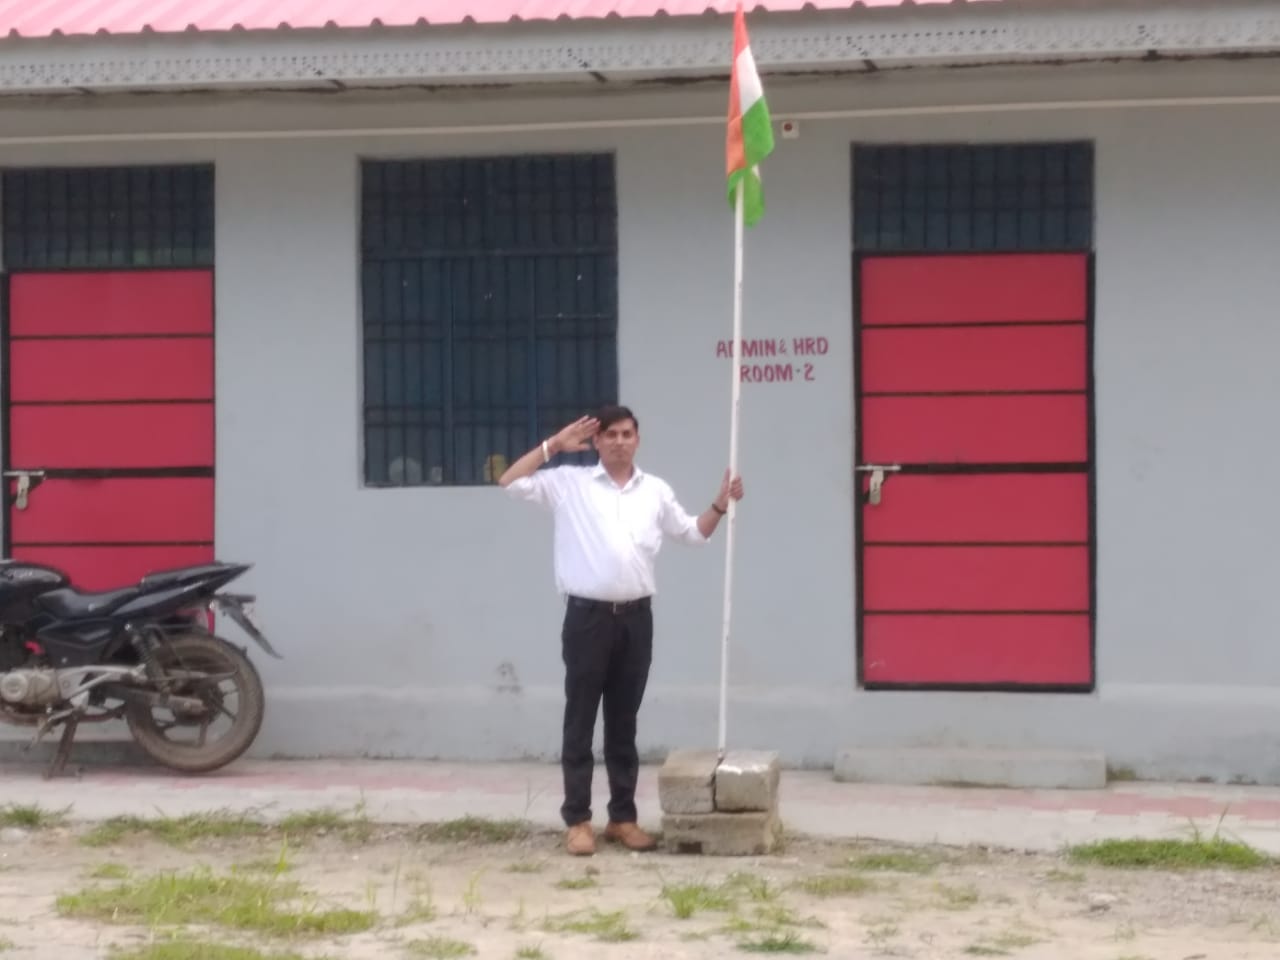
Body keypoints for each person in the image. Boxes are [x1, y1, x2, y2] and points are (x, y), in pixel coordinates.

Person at [499, 405, 745, 856]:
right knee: (580, 718)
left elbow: (692, 533)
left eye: (626, 434)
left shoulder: (653, 491)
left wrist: (719, 504)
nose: (618, 441)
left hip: (635, 619)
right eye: (609, 434)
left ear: (638, 439)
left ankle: (623, 818)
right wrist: (553, 445)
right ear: (596, 442)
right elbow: (509, 481)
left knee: (623, 721)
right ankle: (577, 821)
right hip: (587, 619)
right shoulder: (569, 484)